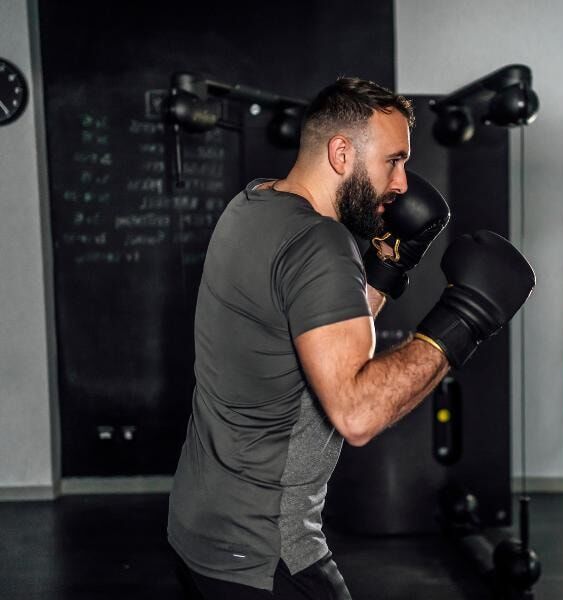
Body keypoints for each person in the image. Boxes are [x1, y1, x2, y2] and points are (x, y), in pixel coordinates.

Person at [167, 77, 535, 599]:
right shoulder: (322, 243)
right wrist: (466, 316)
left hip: (196, 531)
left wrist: (389, 265)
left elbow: (320, 333)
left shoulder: (251, 205)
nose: (403, 182)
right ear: (341, 152)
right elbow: (357, 414)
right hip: (264, 552)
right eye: (393, 160)